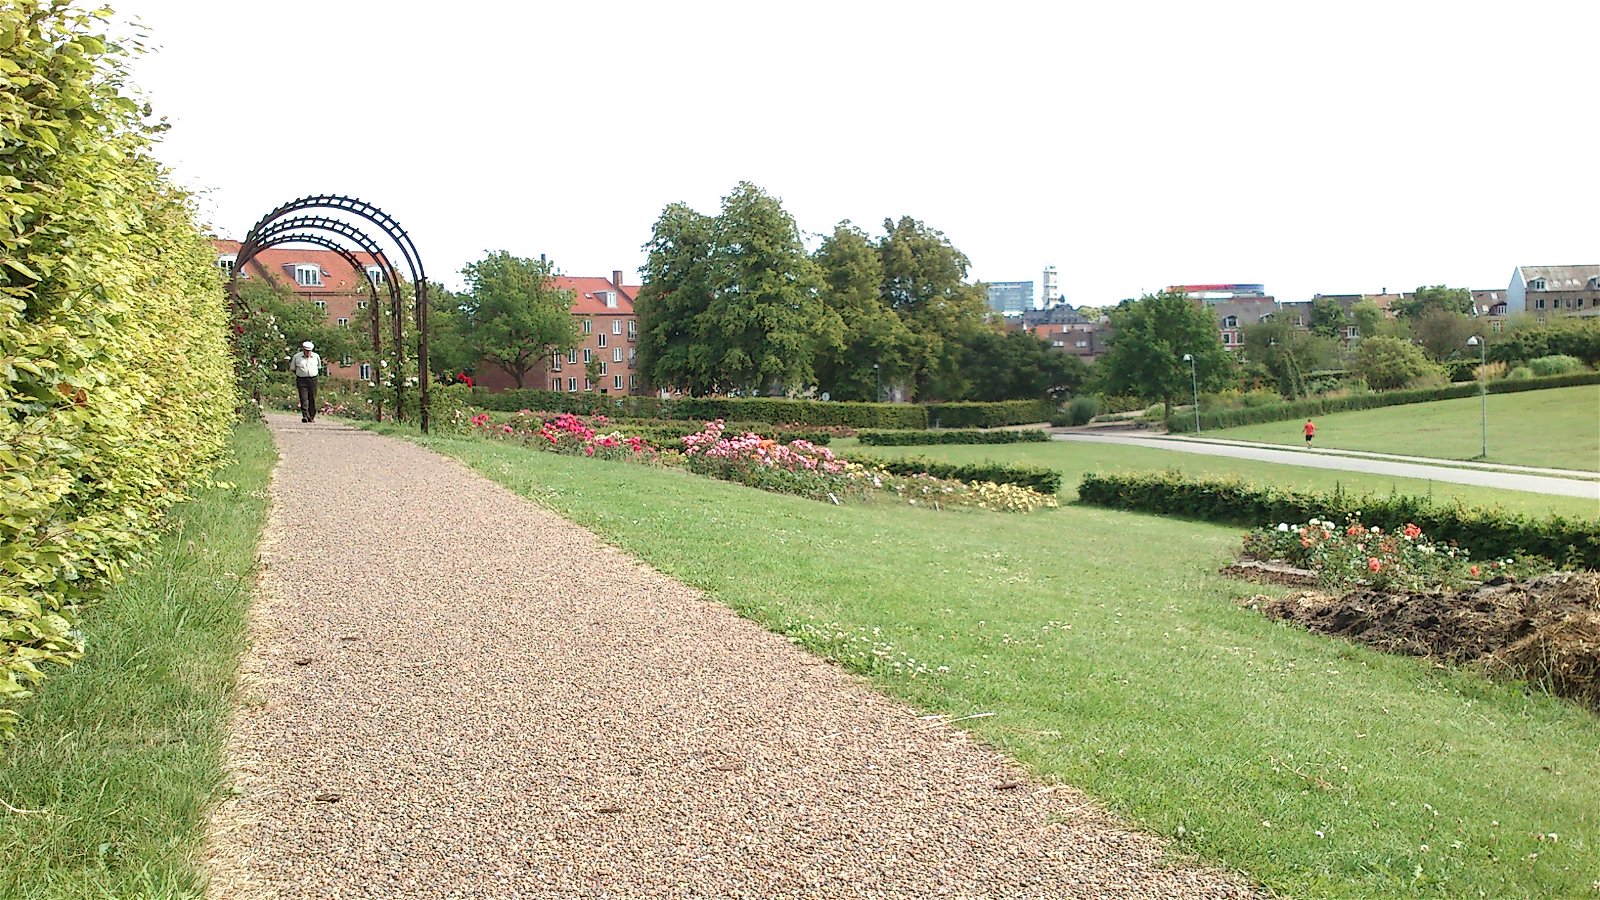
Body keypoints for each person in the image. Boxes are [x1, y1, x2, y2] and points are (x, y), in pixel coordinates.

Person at [290, 340, 321, 422]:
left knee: (312, 398)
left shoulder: (316, 357)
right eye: (306, 351)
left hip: (313, 379)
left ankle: (311, 416)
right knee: (303, 398)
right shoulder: (297, 357)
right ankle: (305, 416)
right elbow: (293, 368)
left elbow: (319, 367)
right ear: (303, 350)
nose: (308, 353)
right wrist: (300, 373)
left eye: (309, 351)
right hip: (301, 379)